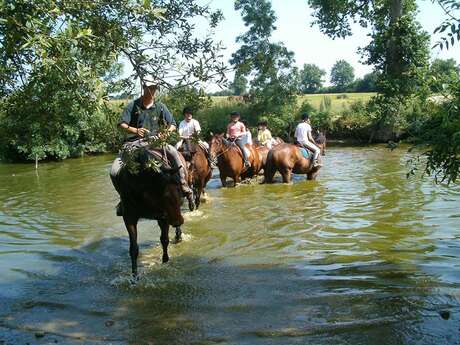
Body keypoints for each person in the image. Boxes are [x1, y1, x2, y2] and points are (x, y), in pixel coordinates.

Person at [110, 80, 194, 213]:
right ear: (144, 88)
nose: (152, 90)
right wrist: (135, 130)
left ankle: (183, 184)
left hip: (156, 141)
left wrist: (166, 132)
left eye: (154, 88)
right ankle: (124, 198)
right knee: (114, 170)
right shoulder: (133, 105)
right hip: (134, 142)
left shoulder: (160, 106)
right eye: (150, 88)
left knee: (174, 152)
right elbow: (121, 124)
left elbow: (172, 123)